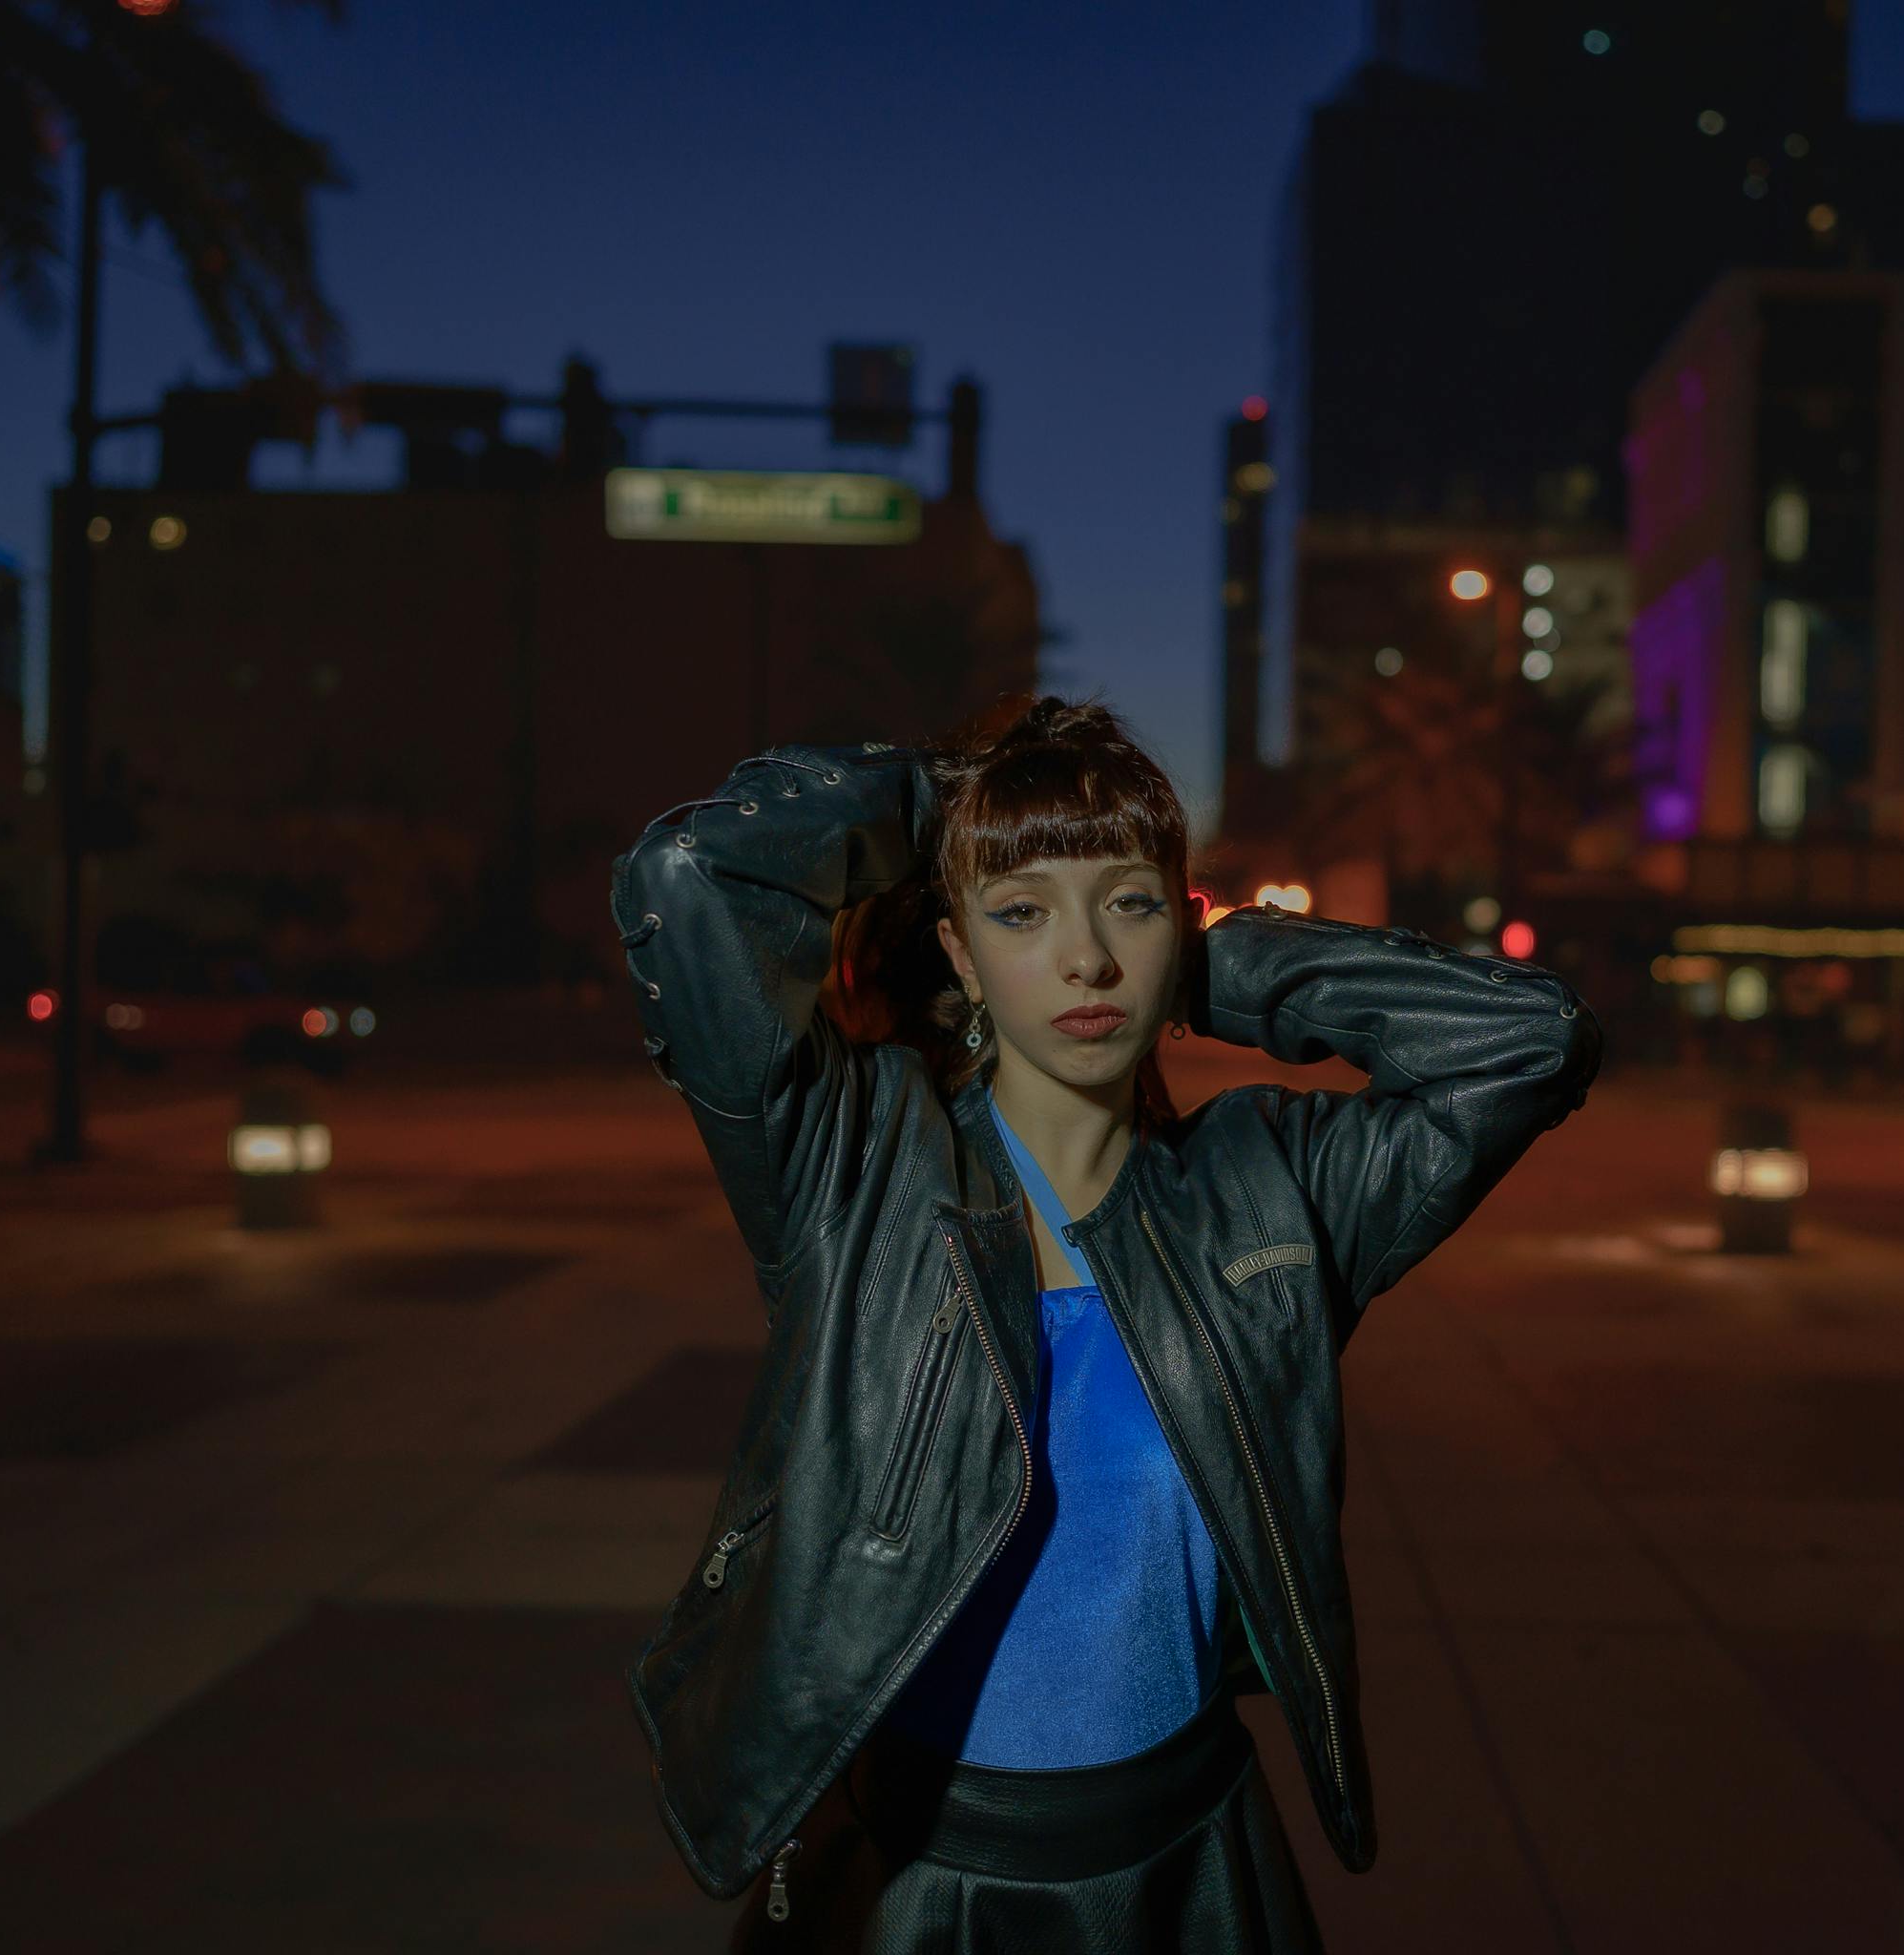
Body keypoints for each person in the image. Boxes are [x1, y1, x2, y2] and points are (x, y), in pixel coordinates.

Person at [611, 694, 1602, 1949]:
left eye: (1126, 905)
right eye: (1021, 913)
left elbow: (1527, 1043)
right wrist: (976, 798)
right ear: (959, 953)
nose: (1084, 960)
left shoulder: (1269, 1194)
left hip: (1190, 1871)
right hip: (923, 1879)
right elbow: (691, 875)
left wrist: (1209, 962)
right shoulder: (852, 1171)